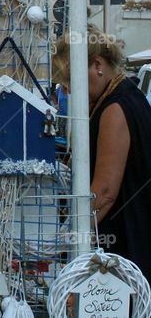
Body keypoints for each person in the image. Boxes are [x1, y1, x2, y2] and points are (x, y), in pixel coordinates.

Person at [52, 27, 151, 279]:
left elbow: (104, 193)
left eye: (70, 80)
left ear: (97, 65)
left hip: (128, 243)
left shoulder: (115, 108)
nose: (68, 90)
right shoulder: (126, 96)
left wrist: (68, 240)